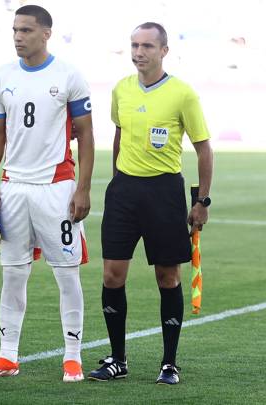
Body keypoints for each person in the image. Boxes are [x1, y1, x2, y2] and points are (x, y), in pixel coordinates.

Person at [87, 22, 213, 385]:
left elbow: (203, 148)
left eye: (146, 46)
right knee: (112, 274)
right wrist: (115, 184)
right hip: (124, 192)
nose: (138, 52)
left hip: (164, 193)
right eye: (134, 45)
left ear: (164, 51)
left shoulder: (182, 94)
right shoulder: (121, 89)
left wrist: (202, 200)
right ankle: (118, 360)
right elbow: (119, 134)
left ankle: (169, 363)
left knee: (167, 276)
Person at [0, 5, 94, 382]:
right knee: (12, 275)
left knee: (66, 274)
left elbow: (87, 135)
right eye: (14, 29)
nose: (17, 36)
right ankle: (7, 356)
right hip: (12, 189)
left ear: (46, 33)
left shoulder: (69, 75)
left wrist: (84, 188)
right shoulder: (3, 76)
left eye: (25, 30)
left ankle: (72, 356)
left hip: (56, 188)